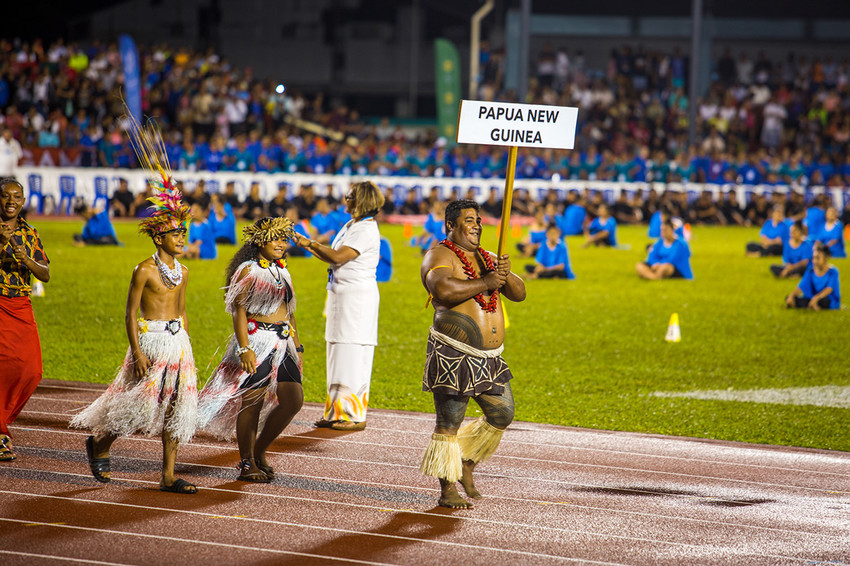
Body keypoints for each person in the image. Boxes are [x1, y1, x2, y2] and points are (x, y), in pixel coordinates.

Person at [70, 128, 199, 494]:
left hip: (178, 343)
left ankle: (168, 475)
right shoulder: (143, 269)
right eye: (175, 234)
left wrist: (187, 344)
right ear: (159, 238)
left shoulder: (184, 271)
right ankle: (100, 444)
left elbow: (183, 309)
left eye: (183, 232)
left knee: (178, 406)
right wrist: (138, 351)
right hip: (151, 341)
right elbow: (130, 313)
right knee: (136, 406)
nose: (181, 237)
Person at [418, 199, 526, 509]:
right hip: (453, 354)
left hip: (490, 358)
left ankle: (465, 462)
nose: (477, 224)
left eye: (478, 219)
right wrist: (487, 281)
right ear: (451, 225)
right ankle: (447, 488)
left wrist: (504, 273)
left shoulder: (486, 258)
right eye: (469, 219)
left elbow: (519, 294)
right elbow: (443, 290)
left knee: (502, 413)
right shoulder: (439, 255)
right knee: (449, 423)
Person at [197, 217, 303, 482]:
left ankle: (259, 450)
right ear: (260, 240)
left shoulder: (282, 270)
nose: (282, 243)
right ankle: (246, 463)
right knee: (252, 402)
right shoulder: (248, 270)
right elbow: (238, 310)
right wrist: (244, 349)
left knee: (293, 399)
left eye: (284, 238)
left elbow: (289, 311)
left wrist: (297, 346)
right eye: (276, 238)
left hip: (283, 342)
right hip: (257, 341)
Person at [294, 181, 385, 431]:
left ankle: (354, 415)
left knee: (352, 353)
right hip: (341, 296)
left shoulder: (365, 230)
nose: (346, 199)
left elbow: (336, 257)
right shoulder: (352, 225)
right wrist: (310, 245)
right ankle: (336, 411)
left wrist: (308, 243)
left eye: (350, 196)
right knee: (337, 352)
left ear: (362, 200)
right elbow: (332, 258)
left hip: (357, 300)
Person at [0, 178, 50, 461]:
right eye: (5, 196)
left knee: (32, 370)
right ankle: (1, 433)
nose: (10, 201)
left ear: (23, 201)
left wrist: (25, 260)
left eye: (16, 197)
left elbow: (45, 274)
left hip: (21, 305)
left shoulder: (30, 232)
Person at [785, 243, 840, 310]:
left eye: (818, 258)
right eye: (813, 258)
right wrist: (792, 296)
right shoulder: (810, 271)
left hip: (825, 299)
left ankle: (812, 304)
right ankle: (812, 305)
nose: (814, 261)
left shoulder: (833, 272)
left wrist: (816, 298)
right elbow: (801, 286)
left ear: (825, 258)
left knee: (825, 301)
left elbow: (829, 289)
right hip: (812, 298)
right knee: (789, 297)